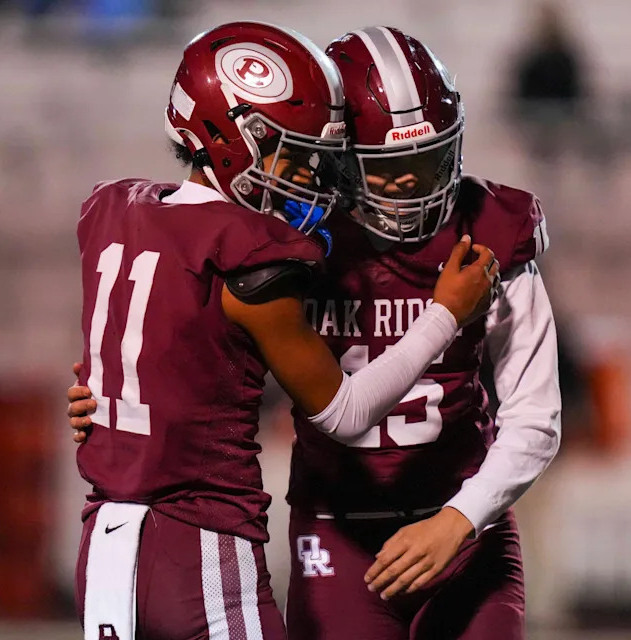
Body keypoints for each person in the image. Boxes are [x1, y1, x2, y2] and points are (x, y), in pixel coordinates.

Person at [70, 25, 559, 640]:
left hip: (465, 524)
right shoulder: (282, 237)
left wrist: (460, 519)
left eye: (429, 159)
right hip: (335, 531)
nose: (412, 184)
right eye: (388, 166)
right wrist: (117, 393)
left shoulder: (488, 226)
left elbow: (536, 418)